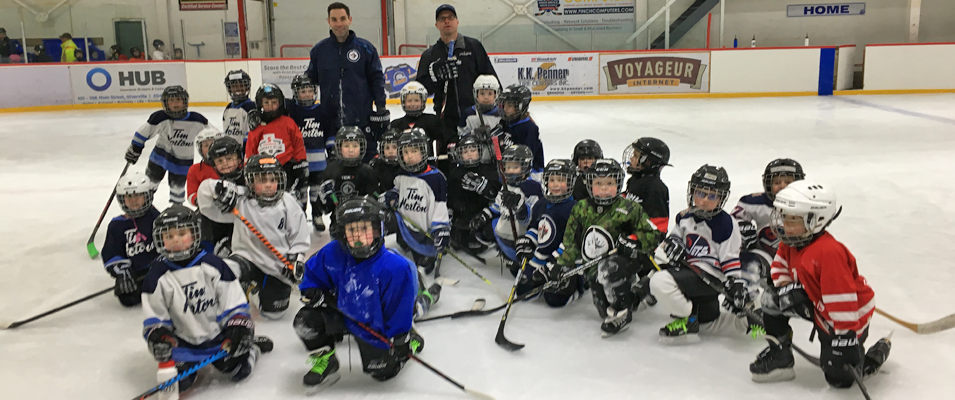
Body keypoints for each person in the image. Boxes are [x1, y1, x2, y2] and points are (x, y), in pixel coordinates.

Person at [737, 180, 890, 388]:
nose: (782, 224)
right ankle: (780, 356)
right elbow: (779, 265)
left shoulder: (828, 253)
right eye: (783, 216)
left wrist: (846, 337)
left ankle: (873, 357)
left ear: (815, 221)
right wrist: (785, 288)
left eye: (792, 219)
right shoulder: (790, 239)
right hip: (817, 301)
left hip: (848, 314)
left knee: (839, 378)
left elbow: (842, 300)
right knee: (771, 300)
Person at [293, 196, 421, 390]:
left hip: (375, 324)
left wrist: (400, 336)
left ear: (378, 230)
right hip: (343, 312)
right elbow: (310, 275)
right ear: (343, 233)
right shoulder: (333, 252)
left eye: (364, 229)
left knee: (382, 372)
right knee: (304, 322)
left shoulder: (395, 268)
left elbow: (398, 307)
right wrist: (313, 290)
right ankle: (326, 359)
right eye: (352, 230)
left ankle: (412, 338)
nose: (358, 236)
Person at [142, 205, 269, 392]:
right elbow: (155, 317)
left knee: (237, 370)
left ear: (194, 234)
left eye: (182, 233)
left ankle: (253, 349)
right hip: (183, 343)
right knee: (180, 383)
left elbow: (233, 302)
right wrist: (159, 336)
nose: (176, 240)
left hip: (219, 340)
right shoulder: (156, 277)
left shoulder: (214, 266)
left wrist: (238, 326)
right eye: (169, 236)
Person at [547, 159, 661, 336]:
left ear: (619, 184)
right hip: (594, 265)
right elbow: (571, 242)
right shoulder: (581, 208)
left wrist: (633, 241)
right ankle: (639, 292)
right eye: (599, 183)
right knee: (603, 308)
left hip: (625, 261)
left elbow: (653, 234)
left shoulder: (630, 208)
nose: (604, 188)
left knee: (609, 273)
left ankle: (623, 313)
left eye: (610, 183)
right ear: (590, 184)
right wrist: (562, 265)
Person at [649, 165, 757, 345]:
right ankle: (741, 323)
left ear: (722, 198)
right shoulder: (685, 217)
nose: (705, 200)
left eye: (712, 196)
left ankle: (687, 320)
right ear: (692, 192)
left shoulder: (726, 224)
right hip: (688, 272)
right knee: (708, 324)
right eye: (700, 193)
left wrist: (735, 282)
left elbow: (730, 257)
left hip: (709, 278)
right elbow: (674, 238)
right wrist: (674, 245)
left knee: (660, 281)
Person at [198, 154, 310, 320]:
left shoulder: (288, 202)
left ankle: (252, 290)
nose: (268, 185)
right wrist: (220, 190)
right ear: (250, 182)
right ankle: (231, 293)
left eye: (272, 180)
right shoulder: (241, 199)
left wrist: (296, 258)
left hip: (275, 265)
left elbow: (300, 236)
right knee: (224, 270)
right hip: (245, 258)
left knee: (274, 313)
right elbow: (206, 198)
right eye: (262, 180)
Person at [305, 2, 389, 163]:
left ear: (350, 20)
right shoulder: (319, 51)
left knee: (365, 166)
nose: (339, 24)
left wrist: (381, 107)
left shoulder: (366, 48)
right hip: (331, 121)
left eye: (342, 19)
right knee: (335, 167)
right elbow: (310, 80)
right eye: (334, 19)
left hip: (362, 119)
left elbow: (376, 79)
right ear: (328, 22)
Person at [416, 4, 497, 146]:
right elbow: (421, 91)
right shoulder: (430, 55)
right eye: (442, 18)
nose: (447, 21)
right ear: (436, 25)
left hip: (475, 116)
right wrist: (435, 76)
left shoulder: (473, 47)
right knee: (448, 161)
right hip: (445, 120)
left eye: (450, 17)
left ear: (457, 21)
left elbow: (491, 79)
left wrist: (499, 111)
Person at [125, 85, 211, 205]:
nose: (175, 104)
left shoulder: (197, 120)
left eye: (178, 100)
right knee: (149, 186)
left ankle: (176, 212)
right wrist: (135, 148)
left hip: (182, 162)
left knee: (177, 190)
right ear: (166, 103)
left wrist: (214, 152)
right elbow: (143, 132)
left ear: (184, 101)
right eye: (171, 101)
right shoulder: (160, 117)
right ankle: (144, 209)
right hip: (159, 158)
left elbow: (212, 134)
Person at [380, 128, 450, 275]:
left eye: (414, 151)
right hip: (405, 224)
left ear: (424, 151)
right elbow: (398, 188)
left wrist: (441, 229)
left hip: (424, 232)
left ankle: (425, 253)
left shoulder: (436, 178)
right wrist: (393, 194)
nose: (409, 156)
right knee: (381, 214)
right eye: (405, 152)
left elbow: (440, 207)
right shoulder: (401, 173)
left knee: (424, 265)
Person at [731, 158, 805, 291]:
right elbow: (731, 223)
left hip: (797, 259)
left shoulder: (808, 204)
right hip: (764, 257)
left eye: (788, 182)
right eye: (777, 182)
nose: (782, 186)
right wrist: (742, 227)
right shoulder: (754, 202)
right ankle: (745, 295)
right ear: (767, 184)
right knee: (748, 261)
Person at [468, 144, 542, 271]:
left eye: (515, 167)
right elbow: (497, 206)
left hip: (522, 241)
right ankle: (503, 252)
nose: (510, 171)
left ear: (526, 167)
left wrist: (520, 208)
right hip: (505, 236)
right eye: (508, 167)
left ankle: (520, 260)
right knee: (485, 228)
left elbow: (532, 218)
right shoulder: (506, 185)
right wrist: (484, 215)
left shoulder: (532, 188)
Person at [514, 159, 578, 299]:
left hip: (561, 261)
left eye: (561, 180)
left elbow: (572, 242)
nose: (555, 184)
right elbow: (536, 228)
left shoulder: (574, 208)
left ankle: (577, 286)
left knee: (554, 299)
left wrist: (554, 263)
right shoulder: (541, 203)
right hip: (540, 258)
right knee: (523, 292)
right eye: (552, 180)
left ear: (571, 182)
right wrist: (527, 241)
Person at [245, 84, 309, 210]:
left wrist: (301, 161)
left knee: (289, 198)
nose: (270, 105)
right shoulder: (256, 127)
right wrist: (248, 166)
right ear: (260, 103)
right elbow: (251, 148)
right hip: (263, 169)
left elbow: (298, 143)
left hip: (286, 167)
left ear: (280, 103)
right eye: (266, 102)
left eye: (274, 102)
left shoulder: (288, 122)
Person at [101, 171, 159, 307]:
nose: (133, 200)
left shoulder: (155, 218)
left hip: (158, 268)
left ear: (148, 195)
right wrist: (122, 272)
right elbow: (112, 252)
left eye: (138, 195)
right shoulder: (117, 225)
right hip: (136, 273)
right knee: (127, 297)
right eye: (129, 196)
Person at [287, 74, 331, 231]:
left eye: (309, 90)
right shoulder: (293, 111)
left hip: (319, 162)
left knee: (316, 191)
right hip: (300, 161)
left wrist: (331, 151)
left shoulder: (321, 111)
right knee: (300, 192)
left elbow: (328, 132)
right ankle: (301, 216)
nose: (306, 94)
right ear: (295, 93)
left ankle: (317, 215)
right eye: (302, 91)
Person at [315, 127, 378, 232]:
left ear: (361, 147)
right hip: (338, 225)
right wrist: (324, 199)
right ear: (339, 147)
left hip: (363, 224)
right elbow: (325, 208)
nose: (351, 150)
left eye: (355, 145)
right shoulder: (331, 170)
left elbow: (374, 201)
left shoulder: (368, 172)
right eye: (346, 146)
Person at [447, 134, 500, 258]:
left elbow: (497, 196)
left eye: (473, 150)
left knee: (486, 232)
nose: (469, 154)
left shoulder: (489, 170)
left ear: (480, 151)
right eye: (465, 151)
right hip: (462, 216)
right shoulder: (455, 172)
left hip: (482, 215)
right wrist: (449, 213)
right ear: (459, 154)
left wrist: (485, 188)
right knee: (457, 237)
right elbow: (450, 196)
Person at [195, 137, 246, 257]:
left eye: (229, 158)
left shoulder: (250, 179)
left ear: (239, 158)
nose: (225, 164)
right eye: (220, 161)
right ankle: (209, 247)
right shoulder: (217, 186)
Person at [389, 81, 449, 170]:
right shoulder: (396, 124)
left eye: (416, 100)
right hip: (403, 167)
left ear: (423, 101)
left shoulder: (432, 120)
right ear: (403, 102)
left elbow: (445, 139)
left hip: (428, 166)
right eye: (409, 100)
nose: (413, 104)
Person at [623, 137, 671, 233]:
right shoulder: (635, 179)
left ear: (649, 162)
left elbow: (659, 226)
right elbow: (628, 197)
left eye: (636, 156)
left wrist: (635, 239)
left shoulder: (656, 189)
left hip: (643, 242)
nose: (632, 158)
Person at [497, 85, 544, 181]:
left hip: (531, 173)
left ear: (521, 106)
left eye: (509, 105)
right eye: (504, 105)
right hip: (512, 168)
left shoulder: (529, 128)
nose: (505, 109)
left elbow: (527, 155)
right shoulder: (505, 122)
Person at [222, 70, 257, 146]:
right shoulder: (228, 109)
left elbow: (252, 134)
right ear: (229, 89)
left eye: (241, 85)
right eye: (234, 86)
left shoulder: (251, 108)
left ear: (247, 88)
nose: (238, 89)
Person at [369, 128, 404, 194]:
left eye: (394, 147)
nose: (390, 151)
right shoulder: (377, 165)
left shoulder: (405, 166)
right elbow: (373, 189)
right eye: (387, 148)